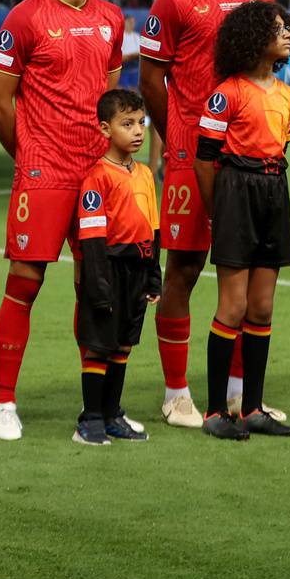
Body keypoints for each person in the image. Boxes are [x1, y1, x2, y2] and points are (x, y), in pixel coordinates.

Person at [136, 0, 274, 428]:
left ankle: (238, 395)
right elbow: (151, 82)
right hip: (194, 159)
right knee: (186, 269)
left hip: (248, 162)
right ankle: (176, 393)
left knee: (243, 274)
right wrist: (180, 143)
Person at [0, 0, 125, 442]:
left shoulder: (112, 18)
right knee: (25, 283)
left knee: (98, 286)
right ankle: (4, 403)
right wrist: (30, 156)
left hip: (96, 173)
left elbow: (109, 100)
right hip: (44, 172)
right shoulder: (24, 19)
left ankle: (96, 410)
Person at [193, 0, 290, 441]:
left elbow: (283, 149)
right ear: (254, 38)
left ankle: (254, 407)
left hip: (274, 190)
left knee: (261, 307)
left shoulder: (289, 95)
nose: (288, 34)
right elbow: (204, 159)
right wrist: (218, 210)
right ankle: (216, 411)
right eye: (279, 29)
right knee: (232, 306)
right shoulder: (228, 93)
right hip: (236, 189)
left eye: (287, 28)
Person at [74, 87, 161, 446]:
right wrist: (97, 286)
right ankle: (90, 419)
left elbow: (153, 228)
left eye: (141, 122)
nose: (138, 130)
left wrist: (154, 275)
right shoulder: (97, 177)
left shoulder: (143, 173)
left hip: (137, 271)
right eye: (127, 124)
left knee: (123, 345)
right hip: (107, 270)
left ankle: (112, 415)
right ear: (106, 129)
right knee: (99, 346)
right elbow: (92, 239)